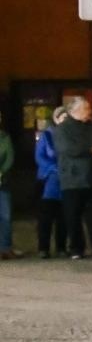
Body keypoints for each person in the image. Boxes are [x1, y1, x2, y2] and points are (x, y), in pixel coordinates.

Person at [55, 97, 92, 260]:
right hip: (73, 179)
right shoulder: (62, 129)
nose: (90, 111)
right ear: (75, 110)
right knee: (73, 216)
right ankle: (76, 248)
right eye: (86, 108)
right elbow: (67, 148)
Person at [34, 107, 66, 259]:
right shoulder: (46, 135)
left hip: (65, 180)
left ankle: (61, 247)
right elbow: (40, 157)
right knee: (45, 217)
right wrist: (55, 168)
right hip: (49, 180)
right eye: (63, 118)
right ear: (56, 119)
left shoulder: (69, 135)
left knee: (63, 217)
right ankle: (43, 248)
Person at [0, 109, 14, 260]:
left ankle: (5, 248)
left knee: (5, 216)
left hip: (2, 182)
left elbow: (9, 158)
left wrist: (2, 172)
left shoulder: (4, 137)